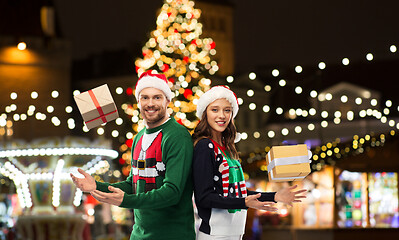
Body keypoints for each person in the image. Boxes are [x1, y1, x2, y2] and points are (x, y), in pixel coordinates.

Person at [71, 71, 195, 240]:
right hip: (139, 235)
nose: (150, 103)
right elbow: (133, 184)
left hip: (172, 235)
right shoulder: (138, 138)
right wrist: (96, 186)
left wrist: (126, 201)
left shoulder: (177, 136)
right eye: (145, 97)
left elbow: (172, 192)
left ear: (168, 100)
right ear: (138, 101)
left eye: (157, 97)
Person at [192, 85, 307, 240]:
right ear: (205, 113)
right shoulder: (205, 147)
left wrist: (275, 196)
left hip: (235, 232)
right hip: (215, 234)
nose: (222, 115)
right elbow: (204, 197)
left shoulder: (227, 148)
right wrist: (244, 202)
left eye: (227, 110)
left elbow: (237, 193)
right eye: (215, 110)